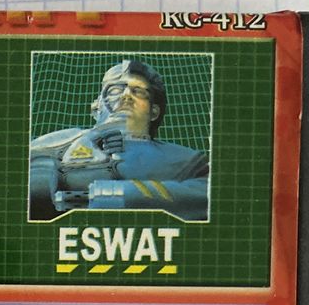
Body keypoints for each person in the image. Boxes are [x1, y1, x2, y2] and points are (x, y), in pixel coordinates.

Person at [29, 58, 209, 222]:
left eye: (139, 92)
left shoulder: (184, 161)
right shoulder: (58, 144)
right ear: (96, 107)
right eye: (115, 90)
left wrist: (112, 194)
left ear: (154, 112)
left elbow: (210, 193)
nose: (126, 96)